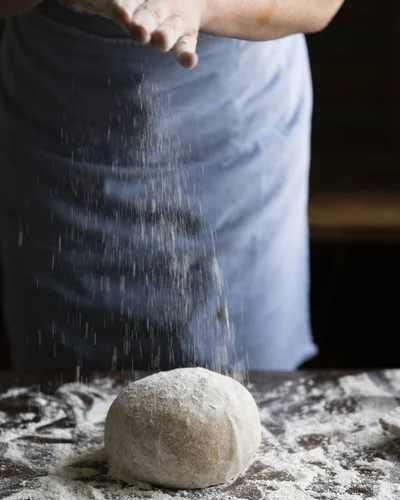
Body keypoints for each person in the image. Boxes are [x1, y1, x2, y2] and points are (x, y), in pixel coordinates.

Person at [0, 0, 344, 375]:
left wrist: (203, 6)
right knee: (61, 391)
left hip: (232, 135)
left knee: (245, 386)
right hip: (60, 127)